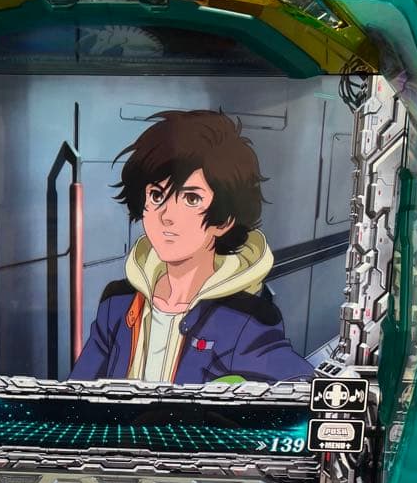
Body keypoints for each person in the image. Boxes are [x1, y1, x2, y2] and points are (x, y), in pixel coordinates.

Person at [69, 111, 313, 385]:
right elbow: (77, 391)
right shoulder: (118, 303)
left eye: (191, 199)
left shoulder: (245, 320)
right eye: (157, 195)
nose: (166, 215)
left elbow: (300, 387)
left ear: (225, 220)